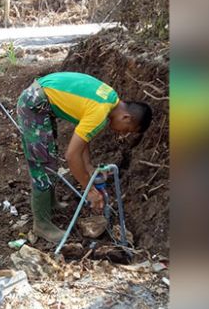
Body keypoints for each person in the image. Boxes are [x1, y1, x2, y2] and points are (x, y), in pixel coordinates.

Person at [16, 72, 153, 243]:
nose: (123, 134)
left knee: (49, 156)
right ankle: (41, 225)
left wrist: (88, 167)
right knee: (42, 163)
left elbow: (83, 134)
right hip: (34, 103)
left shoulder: (110, 98)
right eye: (127, 129)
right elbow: (72, 156)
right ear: (126, 117)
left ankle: (50, 204)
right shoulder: (100, 113)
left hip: (43, 98)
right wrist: (89, 191)